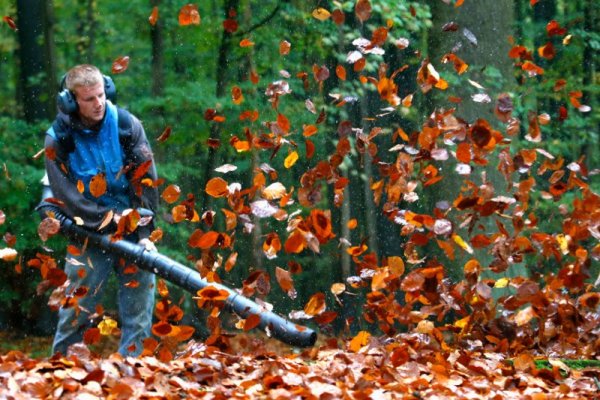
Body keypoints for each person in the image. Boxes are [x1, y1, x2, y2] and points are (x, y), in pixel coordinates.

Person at [43, 64, 159, 357]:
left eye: (100, 96)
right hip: (86, 232)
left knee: (139, 314)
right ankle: (61, 377)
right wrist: (107, 220)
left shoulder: (126, 125)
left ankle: (133, 378)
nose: (98, 104)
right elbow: (65, 196)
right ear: (70, 102)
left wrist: (144, 231)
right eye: (89, 99)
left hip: (133, 230)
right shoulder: (57, 139)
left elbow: (147, 182)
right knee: (75, 313)